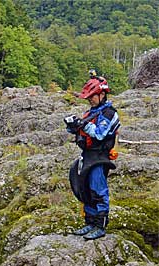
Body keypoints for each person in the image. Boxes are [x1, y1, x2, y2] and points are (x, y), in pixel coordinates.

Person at [66, 71, 120, 240]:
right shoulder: (91, 112)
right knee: (85, 189)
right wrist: (73, 126)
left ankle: (100, 225)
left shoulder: (110, 113)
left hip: (100, 157)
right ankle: (89, 222)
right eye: (88, 98)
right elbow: (82, 130)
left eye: (92, 97)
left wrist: (83, 124)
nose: (90, 100)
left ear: (102, 94)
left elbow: (100, 134)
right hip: (87, 155)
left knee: (98, 190)